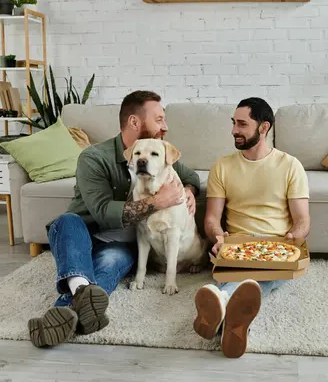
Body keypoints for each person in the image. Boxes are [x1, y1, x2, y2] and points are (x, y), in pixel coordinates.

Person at [28, 90, 201, 348]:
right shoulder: (94, 158)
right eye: (159, 119)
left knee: (113, 261)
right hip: (80, 232)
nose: (165, 127)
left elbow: (192, 176)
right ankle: (79, 302)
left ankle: (65, 311)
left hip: (119, 246)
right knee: (66, 221)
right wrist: (156, 201)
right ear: (134, 122)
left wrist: (188, 191)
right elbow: (102, 212)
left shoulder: (159, 152)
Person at [192, 97, 310, 358]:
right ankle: (233, 322)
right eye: (234, 123)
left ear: (264, 127)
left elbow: (302, 219)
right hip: (236, 247)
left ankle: (221, 302)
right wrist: (217, 238)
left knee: (262, 273)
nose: (234, 130)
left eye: (242, 124)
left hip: (275, 248)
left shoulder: (291, 166)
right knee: (242, 276)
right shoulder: (222, 166)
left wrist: (293, 239)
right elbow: (212, 218)